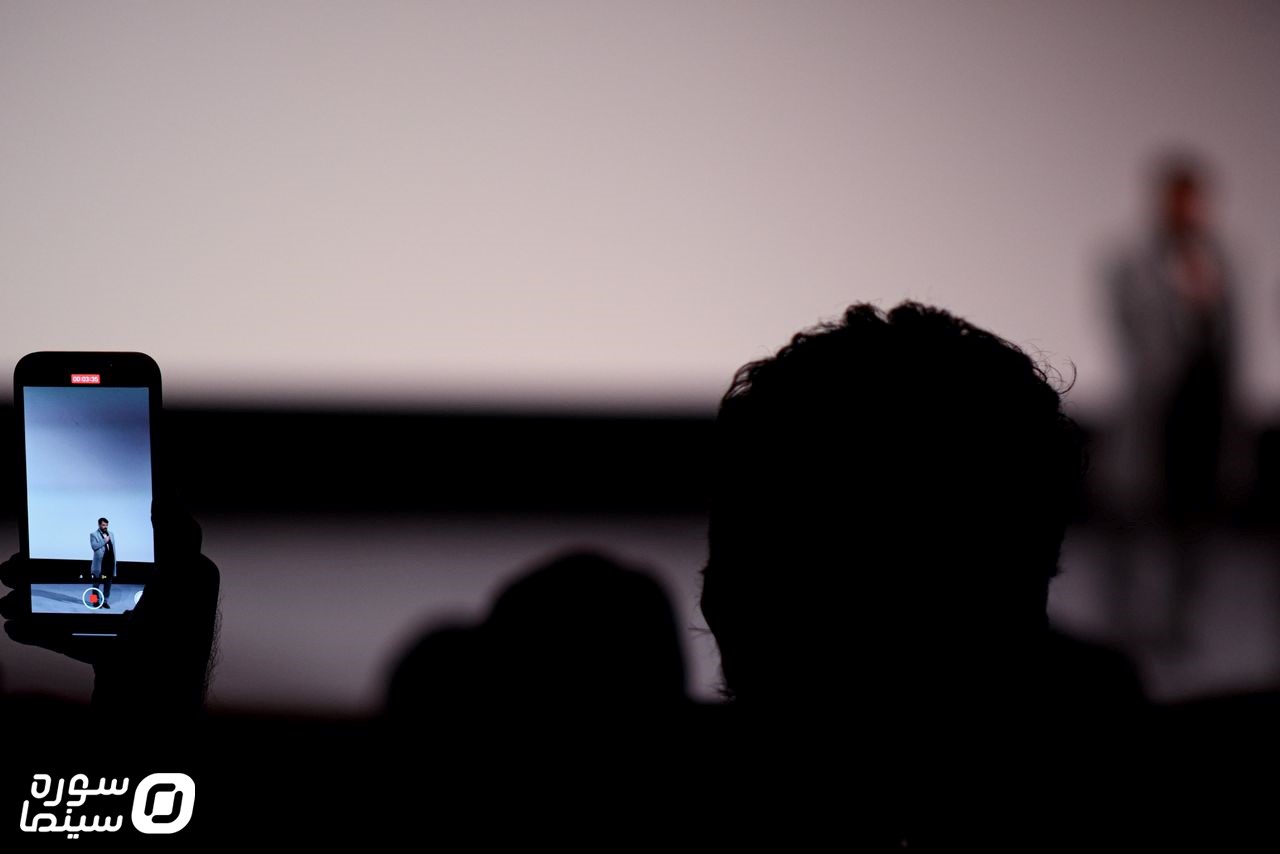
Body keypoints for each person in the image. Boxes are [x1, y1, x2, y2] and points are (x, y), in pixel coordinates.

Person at [89, 517, 115, 608]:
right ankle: (94, 602)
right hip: (100, 565)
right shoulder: (93, 534)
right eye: (103, 525)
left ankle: (105, 601)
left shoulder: (111, 534)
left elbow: (113, 549)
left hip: (109, 564)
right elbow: (94, 546)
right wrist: (104, 540)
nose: (105, 527)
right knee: (96, 584)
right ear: (99, 525)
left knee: (108, 584)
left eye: (106, 525)